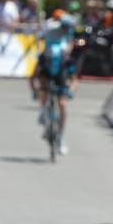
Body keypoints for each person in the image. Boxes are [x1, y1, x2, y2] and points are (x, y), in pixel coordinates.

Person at [30, 13, 78, 155]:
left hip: (61, 66)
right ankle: (43, 109)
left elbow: (75, 78)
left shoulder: (67, 49)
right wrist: (35, 91)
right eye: (64, 27)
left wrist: (70, 91)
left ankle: (61, 137)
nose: (65, 30)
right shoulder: (51, 27)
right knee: (43, 87)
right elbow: (41, 37)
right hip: (47, 60)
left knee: (62, 104)